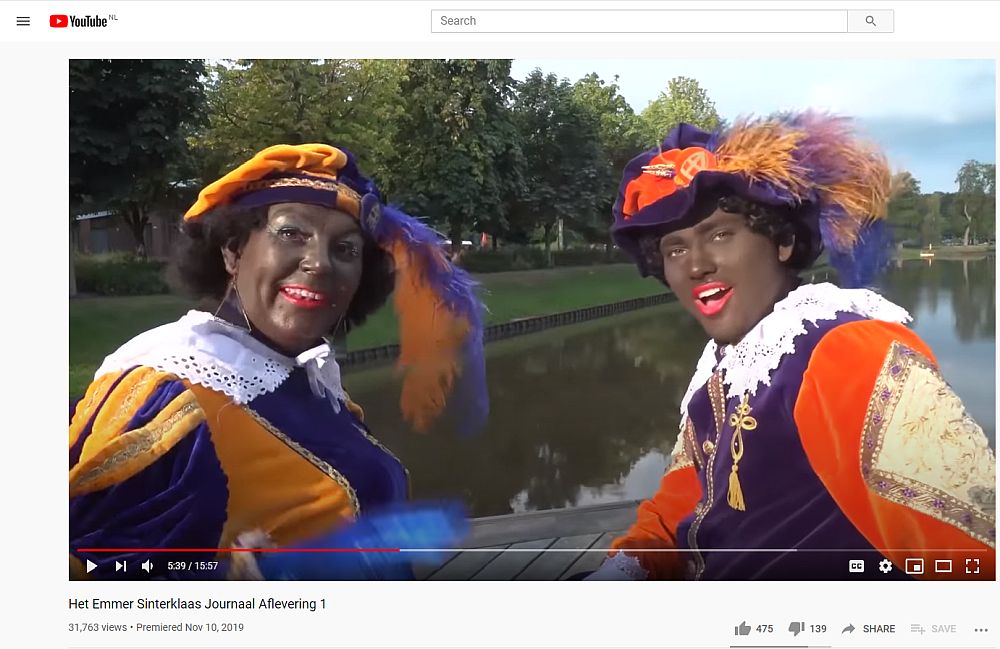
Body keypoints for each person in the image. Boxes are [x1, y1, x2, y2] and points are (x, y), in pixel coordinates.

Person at [590, 113, 995, 580]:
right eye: (675, 249)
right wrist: (627, 568)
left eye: (721, 234)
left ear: (780, 240)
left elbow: (971, 552)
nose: (696, 265)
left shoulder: (850, 349)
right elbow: (685, 499)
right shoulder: (724, 367)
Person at [69, 144, 487, 579]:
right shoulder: (172, 394)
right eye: (291, 234)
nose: (319, 263)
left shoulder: (306, 379)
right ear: (233, 251)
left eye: (346, 250)